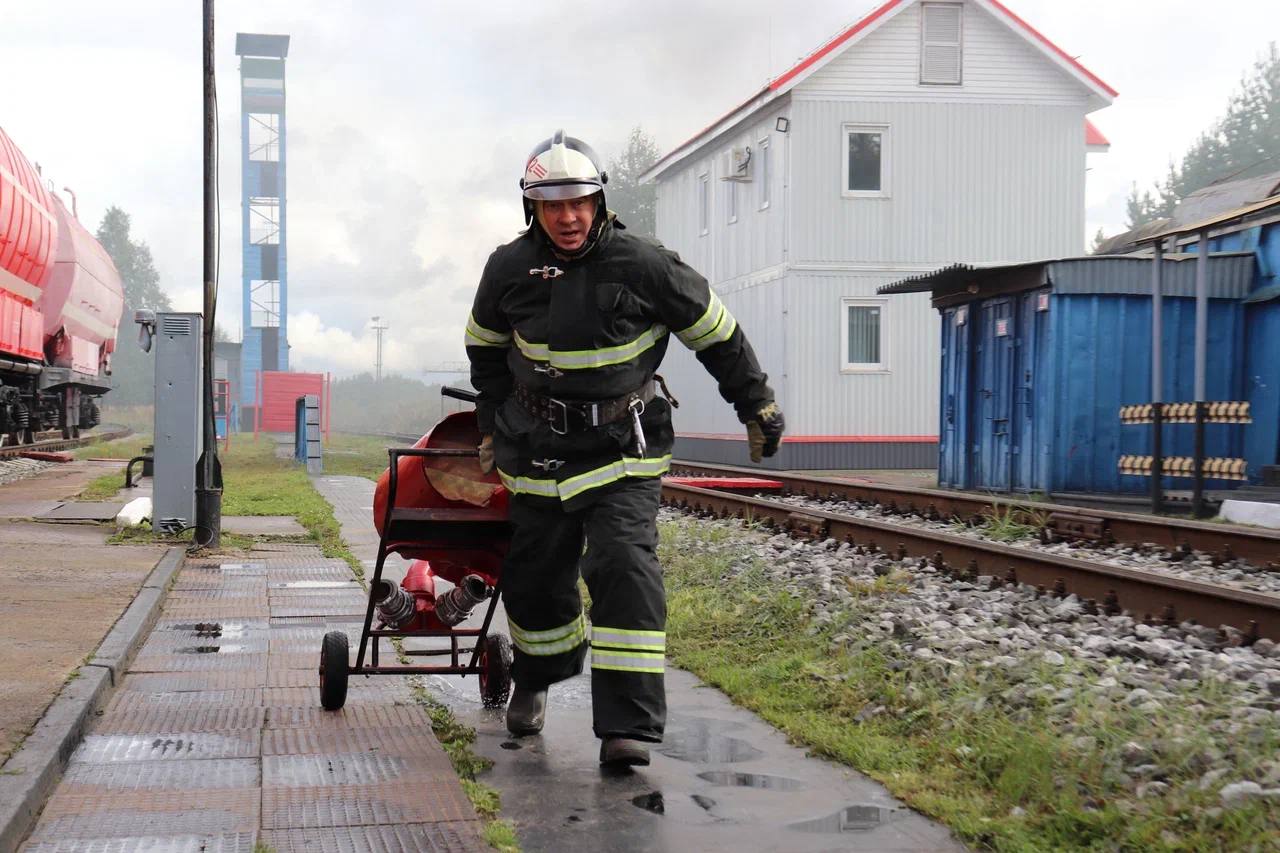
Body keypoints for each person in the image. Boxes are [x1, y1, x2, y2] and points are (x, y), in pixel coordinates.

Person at [464, 130, 784, 767]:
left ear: (599, 198)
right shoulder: (507, 268)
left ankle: (626, 728)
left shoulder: (646, 265)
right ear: (532, 207)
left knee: (625, 569)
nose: (568, 216)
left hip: (621, 451)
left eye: (579, 200)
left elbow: (717, 334)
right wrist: (490, 426)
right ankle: (535, 678)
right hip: (536, 453)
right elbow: (485, 349)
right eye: (552, 204)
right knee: (534, 583)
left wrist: (756, 404)